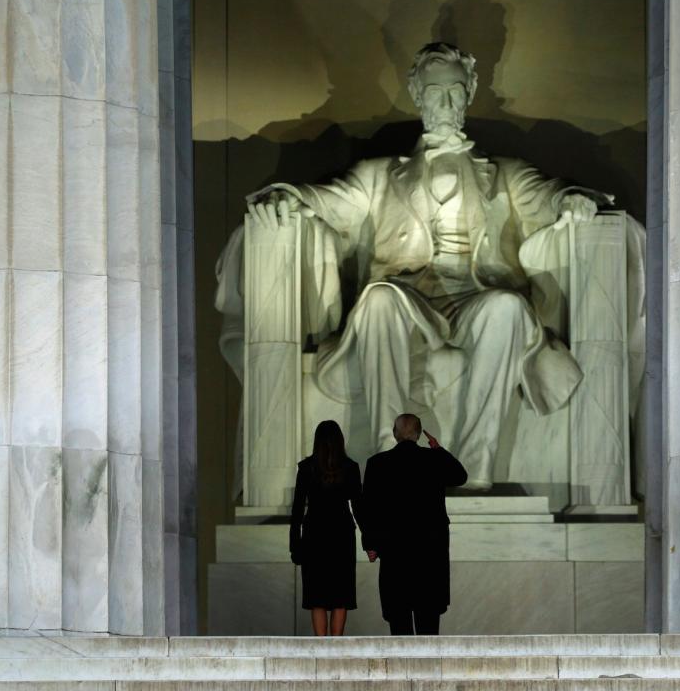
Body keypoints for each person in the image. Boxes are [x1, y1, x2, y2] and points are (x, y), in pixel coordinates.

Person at [243, 41, 620, 490]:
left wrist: (571, 200)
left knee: (508, 308)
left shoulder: (503, 172)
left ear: (470, 91)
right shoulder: (379, 174)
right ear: (416, 93)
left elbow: (546, 195)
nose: (444, 102)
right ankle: (389, 457)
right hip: (408, 298)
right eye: (434, 90)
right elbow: (327, 201)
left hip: (474, 297)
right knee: (378, 299)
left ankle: (474, 466)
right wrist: (288, 197)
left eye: (455, 91)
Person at [361, 413, 467, 635]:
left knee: (399, 625)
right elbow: (460, 476)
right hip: (430, 554)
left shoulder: (377, 463)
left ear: (394, 434)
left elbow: (368, 508)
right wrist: (437, 448)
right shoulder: (434, 459)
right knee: (428, 625)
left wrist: (370, 544)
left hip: (394, 553)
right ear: (419, 435)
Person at [289, 420, 364, 636]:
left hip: (314, 534)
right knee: (341, 595)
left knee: (317, 597)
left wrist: (295, 545)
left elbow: (296, 511)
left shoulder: (306, 468)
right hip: (342, 534)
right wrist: (370, 539)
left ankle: (321, 646)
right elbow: (359, 508)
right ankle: (336, 645)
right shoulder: (350, 468)